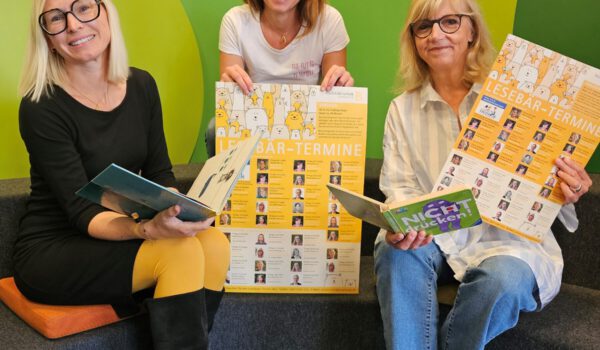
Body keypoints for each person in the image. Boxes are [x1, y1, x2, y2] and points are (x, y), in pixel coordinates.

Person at [374, 1, 592, 349]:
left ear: (471, 30)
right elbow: (400, 186)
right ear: (413, 39)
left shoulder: (521, 99)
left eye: (450, 22)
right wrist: (404, 220)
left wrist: (570, 186)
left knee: (501, 280)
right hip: (437, 238)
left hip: (509, 245)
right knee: (394, 253)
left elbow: (551, 187)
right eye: (423, 26)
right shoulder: (402, 109)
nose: (436, 35)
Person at [15, 1, 230, 348]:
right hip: (55, 247)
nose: (73, 25)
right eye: (57, 18)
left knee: (214, 243)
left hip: (121, 231)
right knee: (180, 252)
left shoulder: (142, 85)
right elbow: (80, 212)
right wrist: (145, 229)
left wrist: (177, 213)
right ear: (48, 38)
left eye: (83, 8)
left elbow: (160, 172)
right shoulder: (42, 106)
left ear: (106, 14)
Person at [219, 0, 353, 95]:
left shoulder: (329, 20)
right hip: (252, 120)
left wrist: (341, 85)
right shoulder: (235, 21)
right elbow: (231, 92)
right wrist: (229, 87)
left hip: (310, 124)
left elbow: (333, 95)